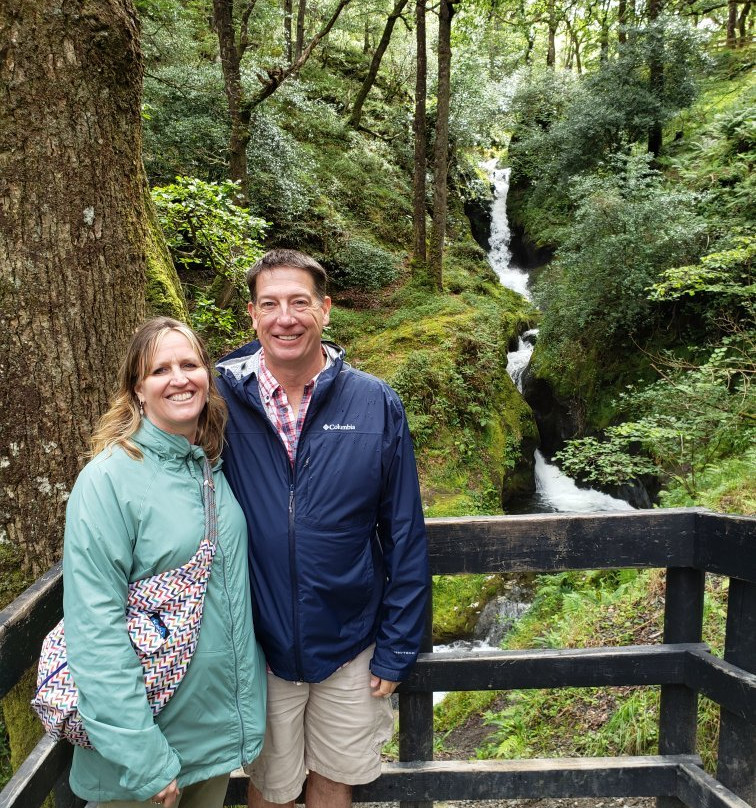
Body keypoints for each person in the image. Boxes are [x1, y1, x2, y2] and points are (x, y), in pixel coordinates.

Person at [216, 249, 430, 808]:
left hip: (351, 641)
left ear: (326, 310)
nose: (285, 317)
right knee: (270, 785)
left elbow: (404, 531)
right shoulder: (216, 402)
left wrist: (397, 645)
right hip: (257, 643)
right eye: (270, 304)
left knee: (336, 777)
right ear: (252, 314)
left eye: (299, 302)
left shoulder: (376, 403)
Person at [62, 316, 266, 808]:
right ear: (137, 388)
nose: (179, 378)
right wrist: (143, 759)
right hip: (145, 759)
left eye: (190, 364)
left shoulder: (209, 468)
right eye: (160, 370)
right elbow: (94, 631)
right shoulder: (109, 480)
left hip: (211, 742)